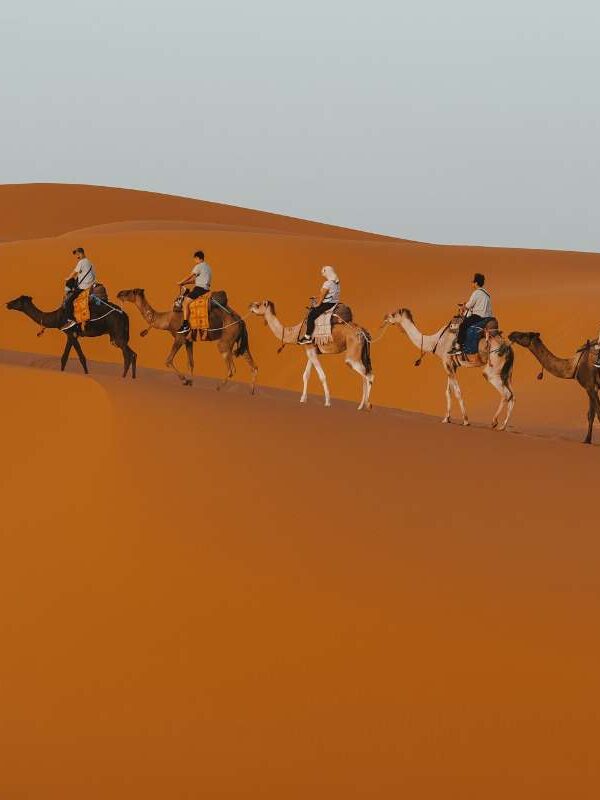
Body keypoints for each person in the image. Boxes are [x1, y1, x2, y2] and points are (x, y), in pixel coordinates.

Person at [448, 273, 493, 356]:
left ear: (476, 283)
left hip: (479, 316)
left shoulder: (476, 292)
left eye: (473, 282)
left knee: (462, 326)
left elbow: (469, 305)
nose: (472, 284)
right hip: (489, 317)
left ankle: (458, 347)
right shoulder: (487, 294)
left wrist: (463, 307)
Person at [298, 266, 341, 345]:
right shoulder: (336, 283)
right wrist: (317, 297)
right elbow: (330, 294)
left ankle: (307, 337)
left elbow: (323, 295)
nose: (323, 275)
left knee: (311, 315)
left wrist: (318, 304)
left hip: (327, 304)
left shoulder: (327, 283)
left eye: (324, 273)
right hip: (334, 303)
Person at [176, 250, 212, 334]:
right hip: (206, 289)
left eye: (195, 260)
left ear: (197, 258)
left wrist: (181, 282)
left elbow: (190, 275)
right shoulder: (208, 267)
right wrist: (185, 283)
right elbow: (195, 280)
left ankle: (185, 325)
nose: (195, 262)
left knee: (185, 302)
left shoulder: (198, 266)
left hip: (199, 289)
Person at [61, 247, 97, 331]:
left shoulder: (81, 262)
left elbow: (74, 272)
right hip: (91, 286)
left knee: (69, 301)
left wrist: (68, 278)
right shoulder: (90, 263)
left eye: (77, 254)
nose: (77, 256)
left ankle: (71, 320)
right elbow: (94, 276)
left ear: (80, 253)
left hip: (83, 287)